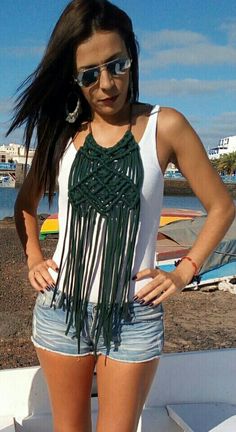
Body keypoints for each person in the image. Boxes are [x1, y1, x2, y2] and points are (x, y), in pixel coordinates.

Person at [8, 1, 235, 431]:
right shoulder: (62, 135)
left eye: (118, 65)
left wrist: (184, 272)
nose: (107, 84)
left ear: (132, 56)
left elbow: (222, 207)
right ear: (74, 79)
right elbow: (24, 206)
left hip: (134, 315)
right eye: (90, 74)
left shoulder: (165, 125)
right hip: (61, 310)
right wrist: (34, 258)